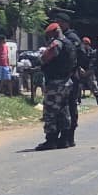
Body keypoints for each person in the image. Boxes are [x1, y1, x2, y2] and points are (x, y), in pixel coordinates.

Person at [36, 22, 75, 151]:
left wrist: (40, 59)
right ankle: (64, 139)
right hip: (66, 81)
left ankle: (51, 140)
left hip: (56, 83)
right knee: (64, 110)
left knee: (50, 111)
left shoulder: (57, 44)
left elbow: (45, 58)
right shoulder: (69, 44)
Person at [54, 13, 84, 148]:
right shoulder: (63, 37)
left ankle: (68, 137)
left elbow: (81, 54)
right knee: (63, 106)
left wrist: (75, 68)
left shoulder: (71, 38)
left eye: (59, 22)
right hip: (66, 76)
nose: (57, 25)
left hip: (71, 76)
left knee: (69, 106)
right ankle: (65, 137)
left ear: (65, 23)